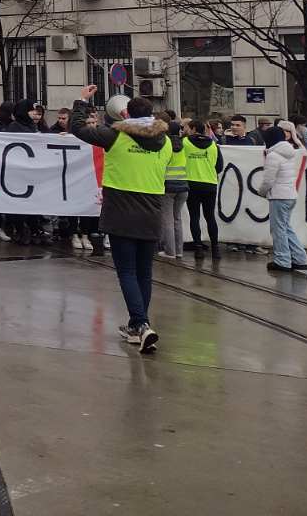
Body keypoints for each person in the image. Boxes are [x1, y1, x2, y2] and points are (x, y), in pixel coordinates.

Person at [71, 85, 169, 353]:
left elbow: (78, 129)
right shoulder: (166, 141)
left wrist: (82, 101)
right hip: (152, 210)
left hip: (121, 209)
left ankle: (141, 323)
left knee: (126, 271)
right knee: (144, 273)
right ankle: (138, 326)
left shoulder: (116, 136)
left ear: (127, 113)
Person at [263, 121, 307, 274]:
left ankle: (282, 260)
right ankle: (299, 258)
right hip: (290, 195)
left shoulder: (273, 155)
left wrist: (262, 192)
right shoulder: (289, 153)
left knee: (278, 229)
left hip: (278, 196)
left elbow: (268, 180)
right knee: (286, 227)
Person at [182, 119, 221, 259]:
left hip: (192, 183)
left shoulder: (185, 142)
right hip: (210, 184)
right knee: (210, 217)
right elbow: (219, 166)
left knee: (194, 217)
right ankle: (215, 249)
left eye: (187, 128)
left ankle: (198, 248)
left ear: (193, 129)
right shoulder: (214, 145)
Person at [159, 119, 189, 260]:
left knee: (168, 220)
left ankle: (169, 251)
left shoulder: (165, 144)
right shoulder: (185, 144)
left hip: (168, 187)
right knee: (177, 219)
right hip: (183, 186)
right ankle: (179, 251)